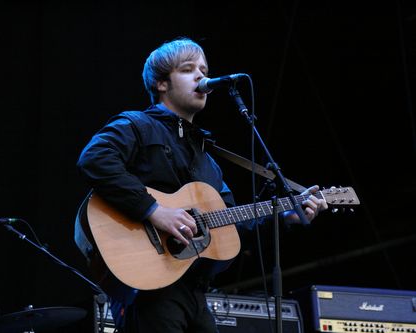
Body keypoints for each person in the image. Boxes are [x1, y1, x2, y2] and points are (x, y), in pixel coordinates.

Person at [74, 37, 327, 332]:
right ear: (161, 84)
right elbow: (94, 159)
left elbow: (229, 225)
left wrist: (284, 218)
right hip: (147, 290)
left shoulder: (209, 162)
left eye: (204, 69)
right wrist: (154, 210)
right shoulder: (137, 125)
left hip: (194, 291)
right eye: (188, 69)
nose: (201, 76)